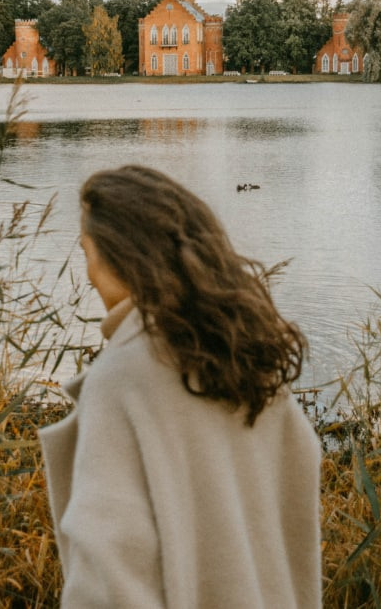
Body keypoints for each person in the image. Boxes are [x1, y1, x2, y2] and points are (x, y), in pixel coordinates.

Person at [40, 165, 322, 608]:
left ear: (121, 256)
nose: (88, 272)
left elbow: (109, 578)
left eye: (87, 251)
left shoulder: (123, 378)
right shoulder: (248, 359)